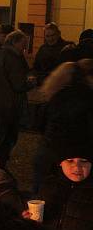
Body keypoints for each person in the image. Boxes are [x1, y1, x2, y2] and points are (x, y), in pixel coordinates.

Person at [0, 30, 36, 168]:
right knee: (5, 141)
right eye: (23, 45)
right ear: (14, 43)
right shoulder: (14, 58)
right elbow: (19, 85)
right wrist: (31, 83)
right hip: (7, 108)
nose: (25, 48)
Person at [33, 60, 93, 193]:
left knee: (42, 187)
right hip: (77, 151)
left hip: (50, 147)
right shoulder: (88, 95)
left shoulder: (55, 96)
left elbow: (40, 122)